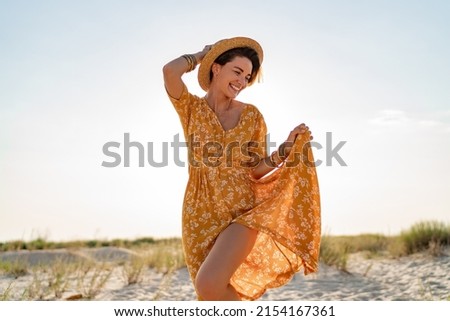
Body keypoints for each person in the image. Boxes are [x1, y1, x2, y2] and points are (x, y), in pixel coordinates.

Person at [163, 36, 321, 301]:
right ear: (216, 68)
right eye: (237, 71)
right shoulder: (191, 109)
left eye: (247, 77)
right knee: (213, 295)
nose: (241, 81)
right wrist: (202, 55)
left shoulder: (251, 116)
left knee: (208, 284)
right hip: (199, 212)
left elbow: (256, 169)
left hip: (243, 211)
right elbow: (170, 71)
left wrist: (285, 149)